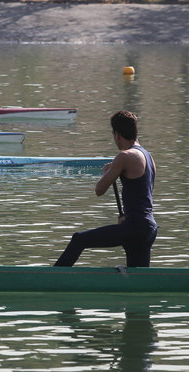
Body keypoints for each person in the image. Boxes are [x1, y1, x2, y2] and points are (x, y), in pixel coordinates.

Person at [55, 110, 157, 268]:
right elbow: (142, 193)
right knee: (138, 279)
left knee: (79, 239)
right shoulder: (148, 156)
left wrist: (107, 172)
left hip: (135, 228)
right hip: (148, 228)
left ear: (116, 134)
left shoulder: (124, 156)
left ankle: (51, 278)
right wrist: (128, 218)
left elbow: (99, 190)